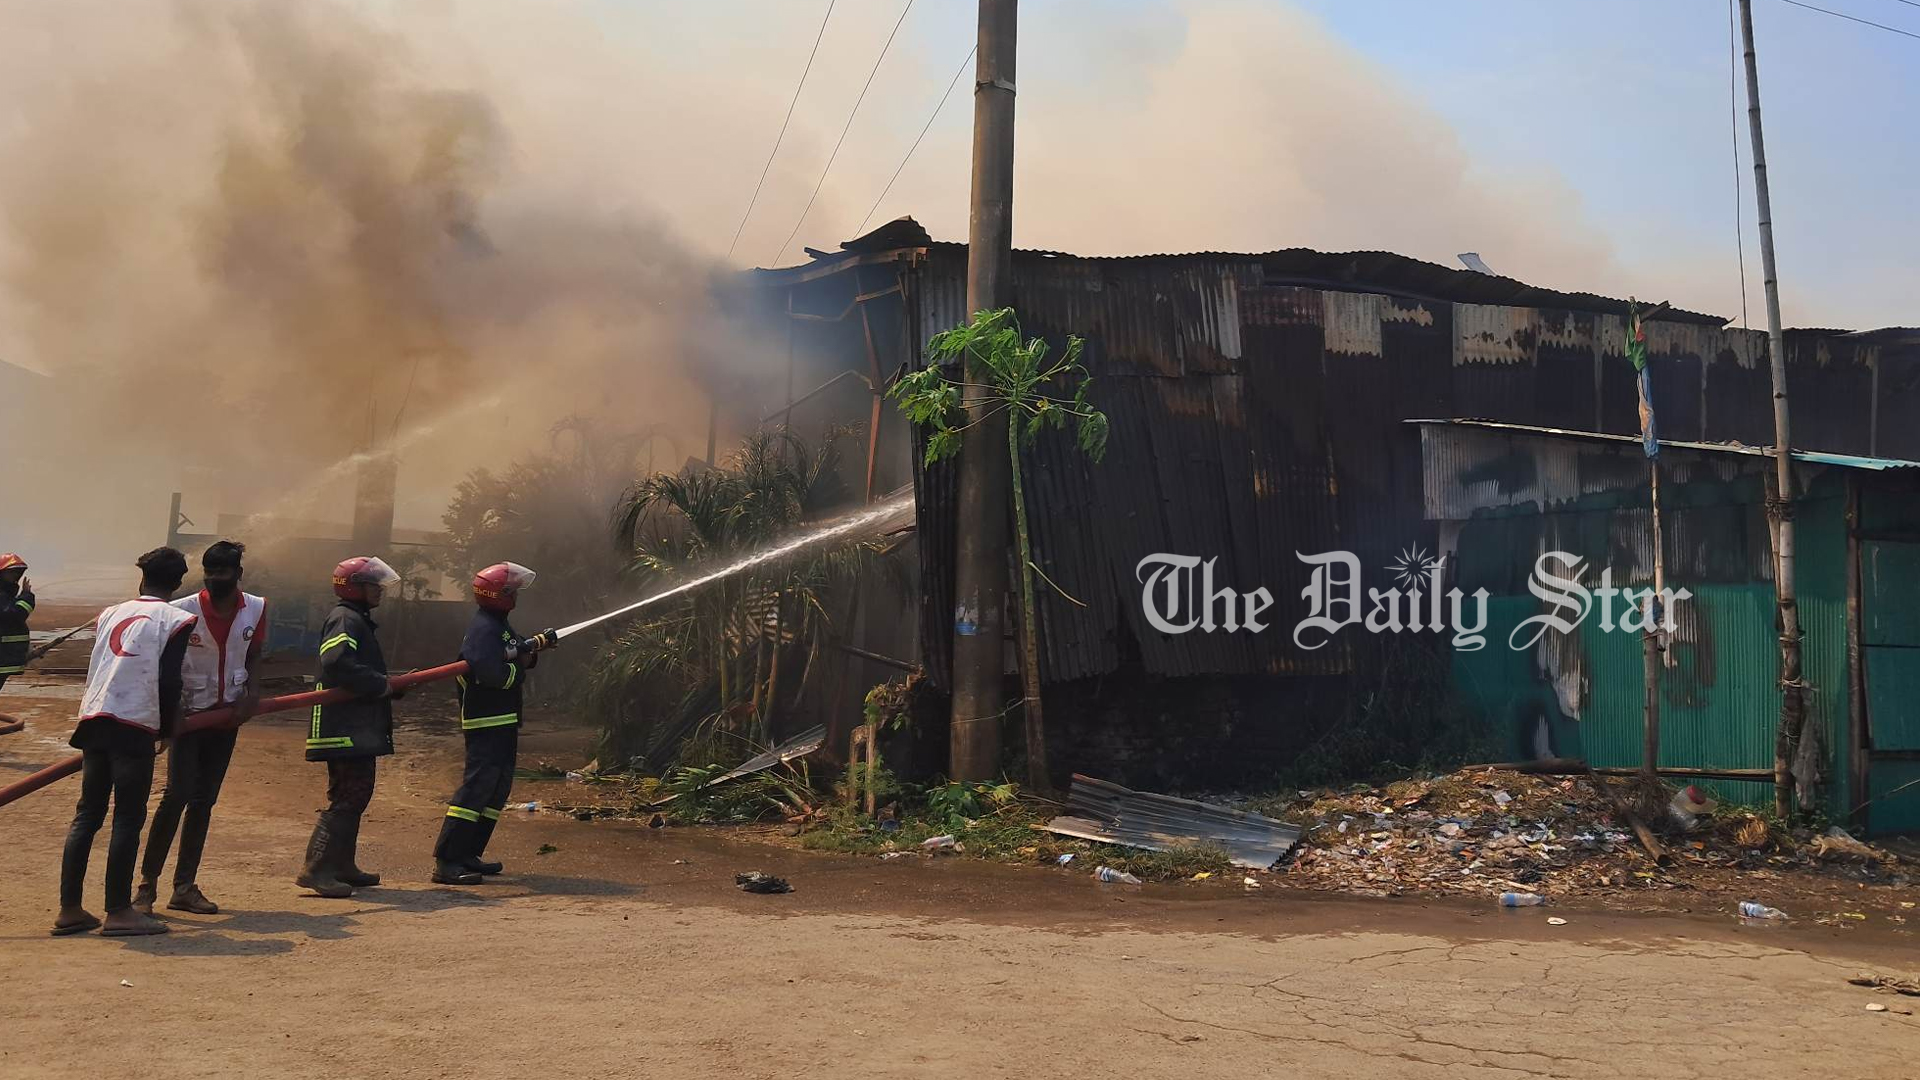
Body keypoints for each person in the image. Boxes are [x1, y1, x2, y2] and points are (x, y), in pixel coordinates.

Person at [54, 548, 198, 937]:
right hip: (134, 722)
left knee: (88, 815)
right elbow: (169, 681)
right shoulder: (178, 619)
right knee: (128, 818)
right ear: (179, 582)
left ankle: (70, 909)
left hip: (94, 717)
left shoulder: (110, 613)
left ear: (142, 578)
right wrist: (168, 728)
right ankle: (118, 911)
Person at [136, 540, 265, 916]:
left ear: (238, 574)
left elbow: (255, 654)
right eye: (209, 572)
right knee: (175, 797)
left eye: (222, 573)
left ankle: (185, 887)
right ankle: (146, 888)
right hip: (188, 718)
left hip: (227, 719)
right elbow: (163, 667)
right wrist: (168, 713)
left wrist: (252, 693)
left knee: (203, 801)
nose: (214, 579)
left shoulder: (255, 608)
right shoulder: (180, 611)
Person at [432, 562, 555, 885]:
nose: (515, 596)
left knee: (496, 790)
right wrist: (519, 672)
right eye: (510, 591)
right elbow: (490, 673)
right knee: (476, 789)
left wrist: (537, 645)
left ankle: (469, 854)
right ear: (497, 594)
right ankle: (447, 861)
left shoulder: (498, 625)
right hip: (485, 720)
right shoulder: (483, 629)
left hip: (502, 720)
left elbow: (513, 649)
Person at [297, 555, 401, 899]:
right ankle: (318, 869)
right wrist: (379, 684)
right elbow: (337, 661)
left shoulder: (356, 619)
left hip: (354, 724)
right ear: (354, 587)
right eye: (374, 584)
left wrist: (386, 685)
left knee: (357, 794)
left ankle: (342, 865)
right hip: (343, 726)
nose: (380, 591)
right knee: (349, 796)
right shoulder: (345, 618)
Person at [0, 552, 34, 691]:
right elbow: (14, 616)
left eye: (17, 573)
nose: (15, 577)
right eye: (11, 572)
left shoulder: (7, 596)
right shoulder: (2, 596)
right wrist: (26, 597)